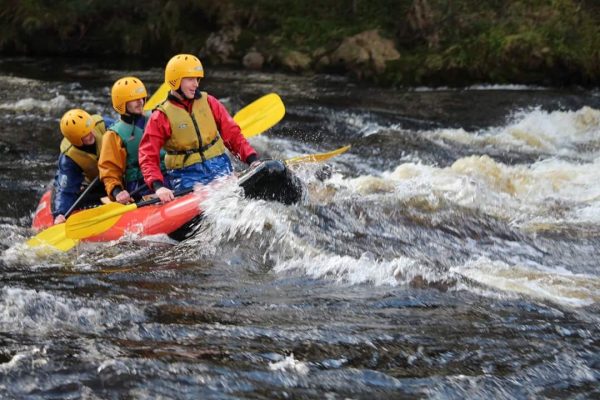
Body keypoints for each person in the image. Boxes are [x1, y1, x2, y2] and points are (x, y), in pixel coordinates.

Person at [139, 53, 259, 203]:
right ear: (175, 81)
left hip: (219, 165)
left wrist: (252, 159)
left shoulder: (209, 102)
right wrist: (158, 186)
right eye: (190, 79)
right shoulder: (161, 116)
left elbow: (232, 135)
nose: (196, 84)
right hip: (186, 174)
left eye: (197, 79)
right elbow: (148, 155)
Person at [98, 76, 165, 204]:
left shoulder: (156, 118)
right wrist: (117, 192)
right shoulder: (114, 135)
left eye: (141, 97)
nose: (140, 101)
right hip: (140, 186)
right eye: (134, 99)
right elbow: (109, 170)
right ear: (121, 103)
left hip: (167, 175)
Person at [52, 108, 108, 224]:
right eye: (85, 135)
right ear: (75, 139)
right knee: (79, 202)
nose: (90, 134)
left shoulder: (102, 124)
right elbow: (66, 191)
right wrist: (60, 214)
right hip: (96, 184)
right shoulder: (69, 157)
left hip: (121, 173)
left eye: (89, 129)